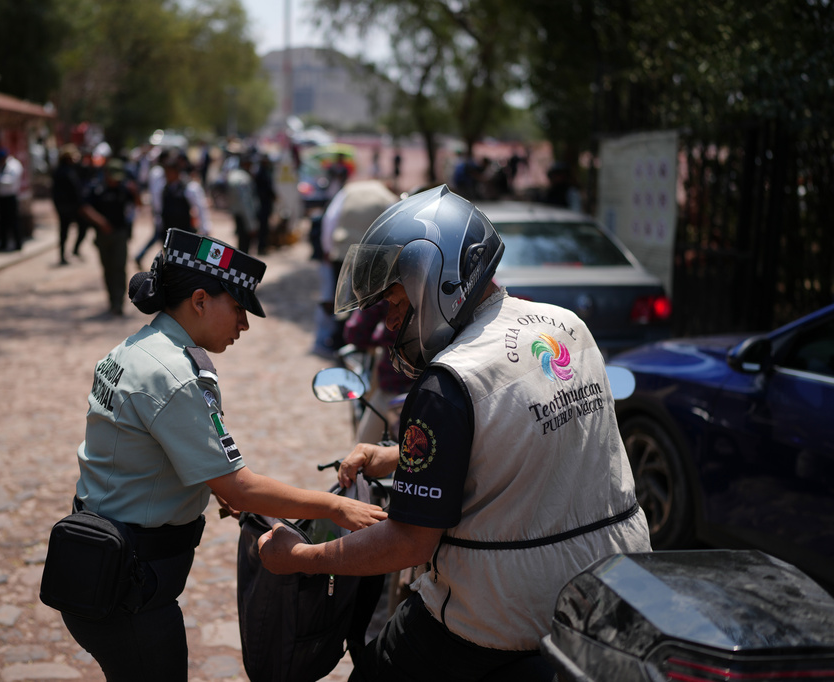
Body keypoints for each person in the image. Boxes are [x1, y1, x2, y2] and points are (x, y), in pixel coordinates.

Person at [258, 185, 652, 681]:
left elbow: (409, 544)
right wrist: (396, 457)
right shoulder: (566, 326)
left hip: (505, 612)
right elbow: (516, 436)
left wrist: (302, 558)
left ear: (437, 279)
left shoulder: (448, 381)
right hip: (611, 585)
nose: (390, 320)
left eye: (396, 301)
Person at [61, 228, 386, 680]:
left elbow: (143, 448)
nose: (244, 324)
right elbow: (241, 485)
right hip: (129, 592)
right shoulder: (173, 374)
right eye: (237, 308)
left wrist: (211, 485)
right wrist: (336, 505)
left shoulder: (140, 348)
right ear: (199, 301)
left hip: (102, 567)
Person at [312, 179, 398, 359]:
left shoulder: (348, 191)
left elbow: (331, 218)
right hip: (372, 256)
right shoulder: (386, 196)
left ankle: (338, 340)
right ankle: (356, 341)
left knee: (341, 300)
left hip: (342, 251)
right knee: (363, 300)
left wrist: (328, 248)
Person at [342, 299, 415, 445]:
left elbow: (355, 333)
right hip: (432, 388)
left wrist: (382, 337)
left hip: (393, 387)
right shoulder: (441, 290)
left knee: (363, 450)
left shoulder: (387, 292)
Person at [81, 158, 141, 316]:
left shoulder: (124, 188)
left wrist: (135, 192)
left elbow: (139, 205)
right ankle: (112, 300)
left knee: (119, 267)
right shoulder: (97, 188)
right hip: (102, 235)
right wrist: (101, 222)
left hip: (120, 234)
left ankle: (119, 303)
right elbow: (85, 208)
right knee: (107, 268)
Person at [135, 150, 211, 269]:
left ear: (176, 172)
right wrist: (159, 223)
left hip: (185, 232)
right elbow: (159, 208)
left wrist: (205, 228)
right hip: (168, 233)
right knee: (170, 264)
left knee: (187, 265)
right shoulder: (163, 188)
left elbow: (200, 208)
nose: (166, 176)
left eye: (169, 173)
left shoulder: (189, 188)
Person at [52, 144, 84, 266]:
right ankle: (63, 255)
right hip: (67, 207)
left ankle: (74, 250)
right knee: (65, 231)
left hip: (69, 206)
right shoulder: (62, 171)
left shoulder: (71, 169)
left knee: (81, 228)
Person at [226, 153, 259, 254]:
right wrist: (251, 225)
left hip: (237, 212)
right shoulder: (243, 178)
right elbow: (245, 202)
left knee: (241, 240)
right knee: (245, 244)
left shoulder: (233, 174)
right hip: (244, 214)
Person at [0, 147, 23, 251]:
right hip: (1, 198)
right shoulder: (1, 166)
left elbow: (11, 181)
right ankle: (3, 244)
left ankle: (18, 244)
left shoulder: (14, 165)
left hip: (11, 197)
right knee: (2, 222)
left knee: (13, 221)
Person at [252, 153, 276, 255]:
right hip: (262, 204)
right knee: (263, 227)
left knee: (264, 226)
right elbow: (266, 188)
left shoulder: (264, 171)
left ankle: (263, 246)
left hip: (265, 203)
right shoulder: (261, 172)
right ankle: (261, 247)